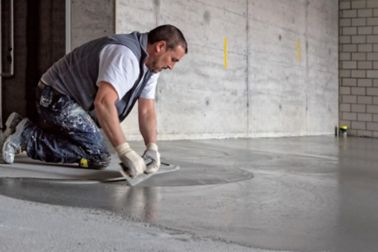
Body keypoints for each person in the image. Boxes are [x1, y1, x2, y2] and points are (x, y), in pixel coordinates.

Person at [1, 24, 188, 178]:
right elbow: (104, 103)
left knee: (89, 144)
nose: (171, 66)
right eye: (173, 59)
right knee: (98, 155)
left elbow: (147, 110)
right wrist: (125, 151)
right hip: (55, 96)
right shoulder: (126, 55)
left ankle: (22, 127)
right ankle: (27, 137)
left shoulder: (151, 67)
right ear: (160, 47)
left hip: (71, 101)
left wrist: (151, 148)